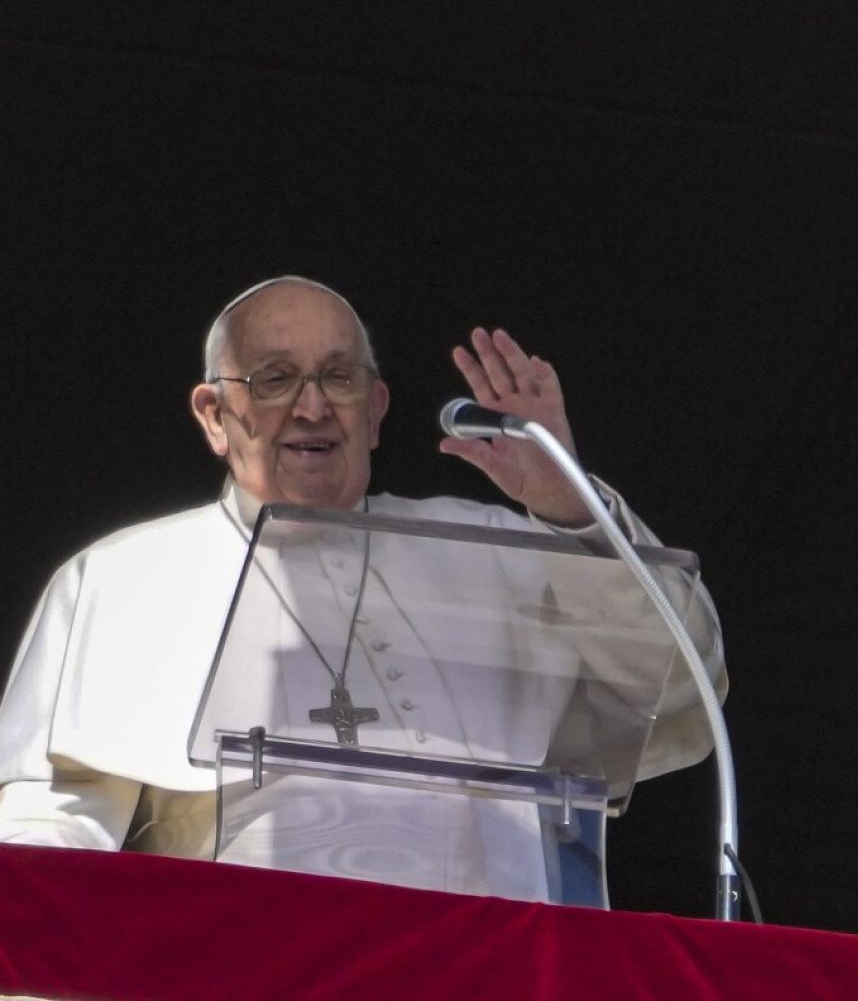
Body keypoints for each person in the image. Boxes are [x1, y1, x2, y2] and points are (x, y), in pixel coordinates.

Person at [0, 276, 727, 903]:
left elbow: (675, 684)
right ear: (215, 417)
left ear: (376, 411)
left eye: (339, 378)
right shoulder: (123, 578)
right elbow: (46, 831)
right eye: (275, 379)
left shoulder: (499, 549)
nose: (313, 407)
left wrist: (570, 508)